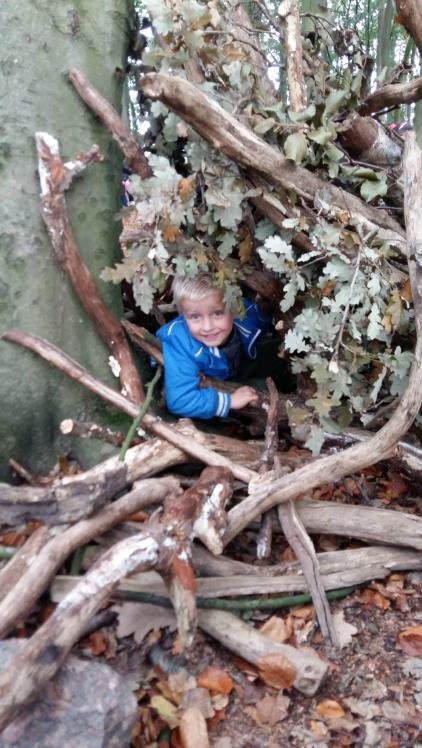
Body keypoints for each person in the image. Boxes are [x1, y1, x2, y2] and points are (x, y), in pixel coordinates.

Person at [156, 274, 271, 419]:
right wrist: (229, 401)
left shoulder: (243, 311)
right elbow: (180, 400)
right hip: (216, 387)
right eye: (195, 317)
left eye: (217, 314)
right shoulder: (180, 344)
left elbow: (255, 327)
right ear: (183, 315)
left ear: (235, 309)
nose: (207, 327)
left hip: (238, 364)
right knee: (263, 392)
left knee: (278, 352)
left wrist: (263, 313)